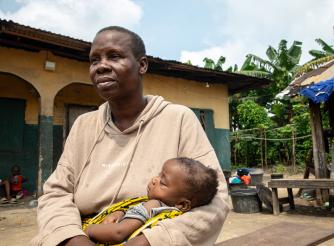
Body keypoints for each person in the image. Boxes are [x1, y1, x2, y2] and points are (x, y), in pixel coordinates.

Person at [33, 26, 229, 246]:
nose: (101, 66)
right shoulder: (83, 126)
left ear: (142, 65)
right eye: (94, 60)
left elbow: (217, 199)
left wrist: (151, 240)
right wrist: (72, 238)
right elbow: (56, 193)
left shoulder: (179, 119)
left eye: (114, 56)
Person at [84, 157, 218, 244]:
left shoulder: (152, 205)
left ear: (182, 204)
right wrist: (119, 213)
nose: (155, 179)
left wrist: (88, 231)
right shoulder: (170, 214)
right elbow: (134, 219)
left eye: (163, 182)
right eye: (159, 174)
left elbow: (118, 232)